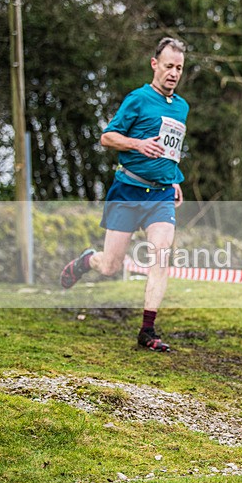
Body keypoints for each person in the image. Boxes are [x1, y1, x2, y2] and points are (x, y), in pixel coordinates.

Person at [60, 37, 189, 352]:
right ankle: (88, 260)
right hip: (128, 190)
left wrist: (175, 180)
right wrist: (137, 144)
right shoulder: (138, 99)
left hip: (160, 196)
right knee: (110, 267)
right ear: (154, 64)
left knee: (161, 255)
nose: (174, 73)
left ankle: (148, 331)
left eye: (180, 68)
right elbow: (107, 137)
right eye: (169, 65)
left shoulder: (182, 107)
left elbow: (171, 152)